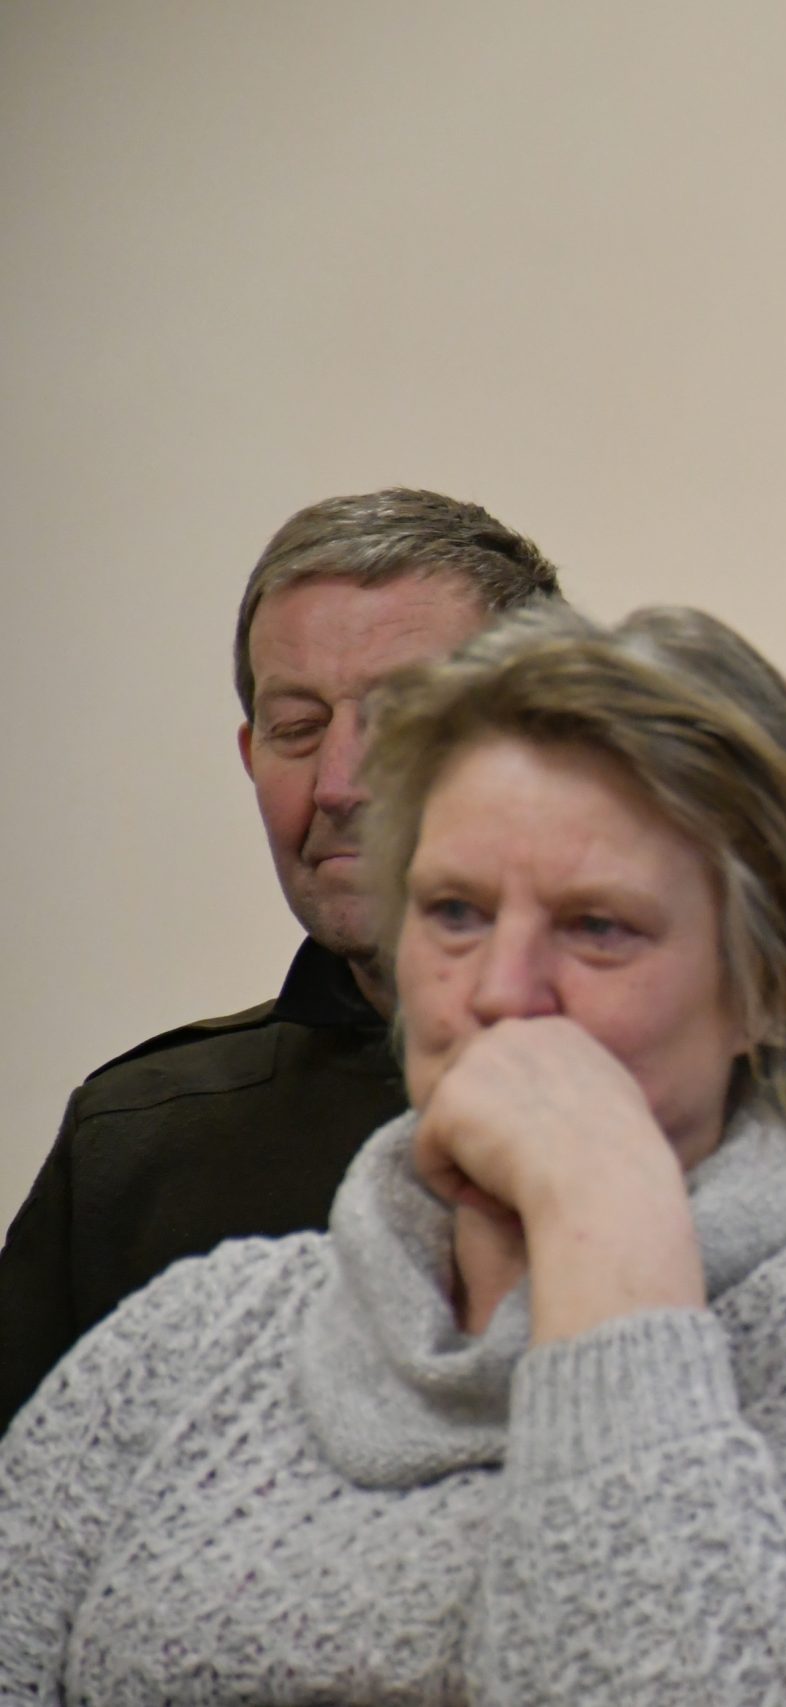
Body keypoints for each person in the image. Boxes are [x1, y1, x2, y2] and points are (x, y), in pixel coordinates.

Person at [0, 603, 786, 1706]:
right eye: (454, 912)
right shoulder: (190, 1337)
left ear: (771, 986)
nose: (501, 992)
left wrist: (606, 1237)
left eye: (598, 927)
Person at [0, 488, 562, 1428]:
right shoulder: (138, 1142)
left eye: (404, 718)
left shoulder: (738, 1105)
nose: (339, 783)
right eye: (297, 729)